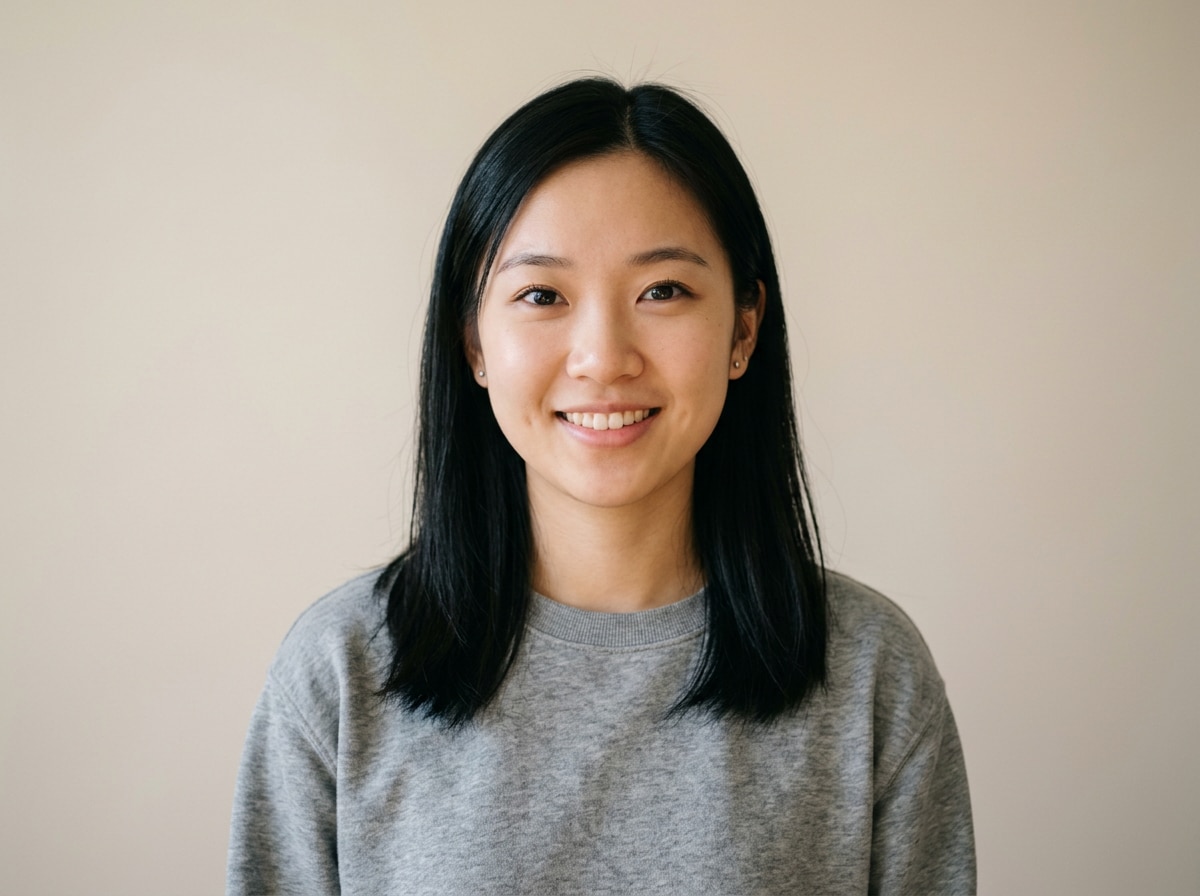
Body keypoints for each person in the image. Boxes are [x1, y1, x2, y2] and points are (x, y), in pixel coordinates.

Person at [227, 77, 976, 895]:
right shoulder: (340, 673)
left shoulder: (870, 672)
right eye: (542, 295)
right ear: (473, 340)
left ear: (744, 328)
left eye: (663, 291)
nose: (604, 356)